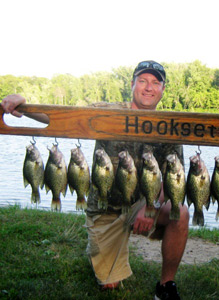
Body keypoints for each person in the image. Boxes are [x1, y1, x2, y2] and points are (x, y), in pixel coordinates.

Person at [1, 60, 189, 300]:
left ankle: (166, 286)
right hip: (104, 209)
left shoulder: (168, 127)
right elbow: (63, 119)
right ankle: (100, 247)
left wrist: (150, 208)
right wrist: (24, 105)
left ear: (163, 90)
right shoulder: (107, 111)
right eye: (142, 81)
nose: (148, 87)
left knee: (180, 211)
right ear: (132, 84)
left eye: (155, 82)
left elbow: (174, 179)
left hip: (140, 205)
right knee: (109, 285)